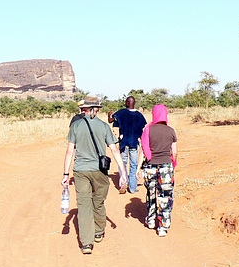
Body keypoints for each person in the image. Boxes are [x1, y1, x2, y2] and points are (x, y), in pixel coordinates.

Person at [62, 96, 128, 254]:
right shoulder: (104, 127)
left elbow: (70, 151)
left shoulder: (76, 126)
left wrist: (65, 173)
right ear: (97, 109)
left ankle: (86, 243)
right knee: (98, 202)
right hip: (99, 171)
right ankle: (98, 232)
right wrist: (123, 172)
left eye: (83, 108)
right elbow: (114, 150)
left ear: (86, 109)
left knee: (84, 206)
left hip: (81, 171)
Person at [136, 104, 177, 237]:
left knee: (151, 193)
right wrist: (172, 164)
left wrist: (138, 168)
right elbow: (174, 152)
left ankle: (152, 220)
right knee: (165, 196)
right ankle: (163, 227)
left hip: (150, 166)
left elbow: (143, 149)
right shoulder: (171, 131)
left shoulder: (148, 130)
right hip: (166, 166)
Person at [108, 96, 146, 194]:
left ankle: (123, 183)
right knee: (133, 165)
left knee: (122, 163)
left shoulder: (121, 113)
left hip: (123, 142)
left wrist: (109, 115)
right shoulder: (139, 115)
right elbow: (142, 130)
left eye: (126, 102)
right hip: (134, 143)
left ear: (128, 103)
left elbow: (111, 120)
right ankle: (132, 188)